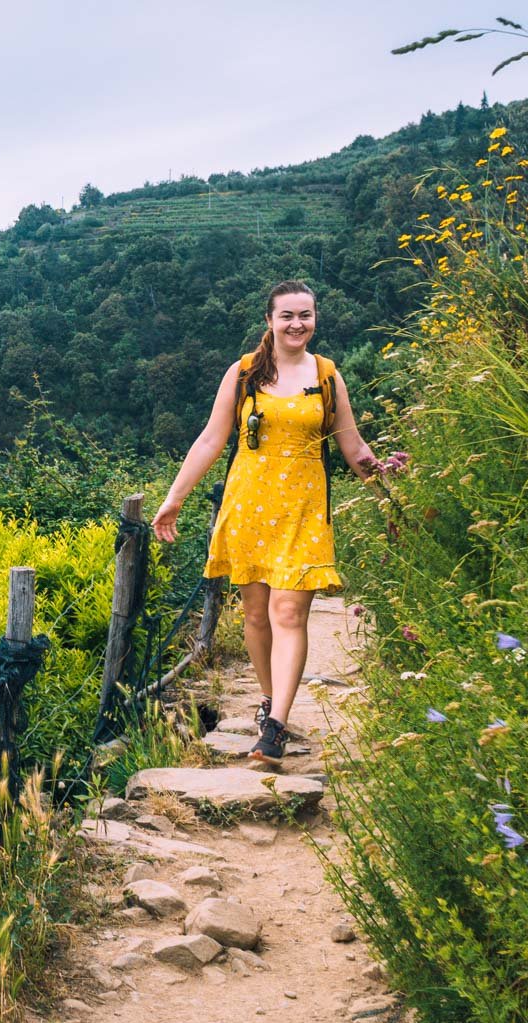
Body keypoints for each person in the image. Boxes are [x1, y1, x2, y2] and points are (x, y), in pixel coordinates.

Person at [151, 280, 379, 761]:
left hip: (304, 510)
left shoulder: (327, 376)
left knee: (289, 613)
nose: (297, 324)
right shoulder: (243, 374)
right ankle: (270, 700)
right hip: (249, 506)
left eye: (306, 315)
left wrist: (394, 496)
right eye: (288, 316)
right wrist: (174, 498)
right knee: (256, 615)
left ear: (315, 319)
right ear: (269, 322)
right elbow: (212, 441)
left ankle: (274, 728)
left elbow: (354, 449)